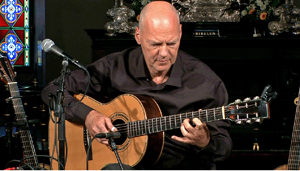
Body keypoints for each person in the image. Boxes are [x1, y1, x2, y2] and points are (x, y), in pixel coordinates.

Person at [41, 1, 232, 170]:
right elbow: (52, 91)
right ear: (138, 36)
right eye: (155, 44)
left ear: (180, 34)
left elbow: (223, 148)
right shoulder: (114, 66)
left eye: (171, 43)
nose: (164, 53)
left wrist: (205, 142)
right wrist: (89, 115)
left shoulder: (206, 83)